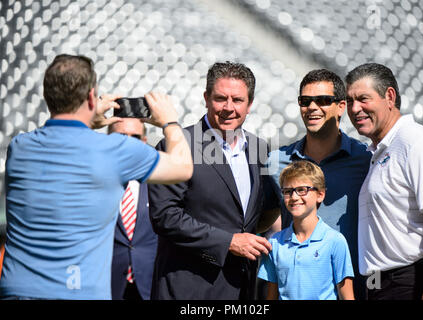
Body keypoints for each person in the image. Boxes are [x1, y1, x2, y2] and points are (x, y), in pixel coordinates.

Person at [0, 54, 193, 300]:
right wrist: (170, 122)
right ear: (91, 97)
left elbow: (66, 146)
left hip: (17, 290)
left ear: (48, 96)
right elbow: (183, 167)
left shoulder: (20, 147)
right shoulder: (116, 151)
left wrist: (89, 122)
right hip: (75, 291)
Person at [149, 61, 271, 300]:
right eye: (220, 98)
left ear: (250, 105)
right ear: (206, 98)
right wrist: (228, 242)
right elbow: (164, 216)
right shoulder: (177, 144)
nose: (228, 108)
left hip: (243, 289)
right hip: (189, 290)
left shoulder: (260, 149)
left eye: (237, 100)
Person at [261, 69, 371, 299]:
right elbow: (261, 216)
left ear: (341, 107)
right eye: (305, 101)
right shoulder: (276, 162)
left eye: (322, 100)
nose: (312, 107)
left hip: (353, 288)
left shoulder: (365, 160)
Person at [346, 62, 423, 300]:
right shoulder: (380, 150)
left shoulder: (414, 140)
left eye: (363, 98)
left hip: (408, 283)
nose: (354, 109)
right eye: (350, 101)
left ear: (389, 96)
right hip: (379, 284)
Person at [258, 160, 354, 300]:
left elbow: (347, 296)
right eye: (288, 191)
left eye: (302, 190)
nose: (294, 197)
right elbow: (271, 296)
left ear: (320, 194)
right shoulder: (274, 243)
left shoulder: (335, 241)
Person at [108, 119, 158, 300]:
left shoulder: (159, 181)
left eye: (135, 137)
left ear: (144, 141)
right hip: (108, 283)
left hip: (149, 282)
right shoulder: (95, 180)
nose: (128, 142)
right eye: (120, 136)